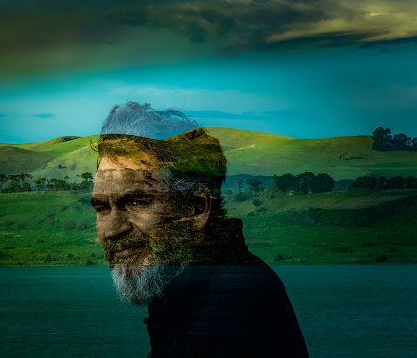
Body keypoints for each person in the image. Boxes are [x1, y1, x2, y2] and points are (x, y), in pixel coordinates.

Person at [91, 102, 309, 357]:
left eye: (138, 202)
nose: (112, 230)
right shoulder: (188, 295)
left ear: (197, 208)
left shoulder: (237, 301)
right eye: (101, 208)